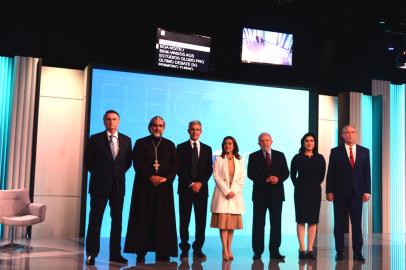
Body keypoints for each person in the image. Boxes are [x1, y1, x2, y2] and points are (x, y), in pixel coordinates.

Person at [124, 116, 179, 263]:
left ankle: (163, 250)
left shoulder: (170, 144)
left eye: (160, 126)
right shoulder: (141, 143)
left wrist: (165, 178)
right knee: (143, 218)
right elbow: (137, 163)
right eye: (155, 125)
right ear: (150, 127)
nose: (158, 128)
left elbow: (174, 165)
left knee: (163, 220)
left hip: (164, 188)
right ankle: (140, 251)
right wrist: (150, 176)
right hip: (144, 188)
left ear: (164, 128)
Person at [84, 110, 132, 266]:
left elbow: (127, 163)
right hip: (99, 187)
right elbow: (88, 162)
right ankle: (91, 254)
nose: (111, 122)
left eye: (114, 119)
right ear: (104, 121)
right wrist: (103, 175)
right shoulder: (95, 139)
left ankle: (115, 254)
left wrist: (114, 175)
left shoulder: (126, 140)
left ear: (119, 121)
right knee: (95, 222)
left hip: (118, 187)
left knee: (117, 222)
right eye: (108, 119)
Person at [326, 125, 371, 262]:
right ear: (342, 135)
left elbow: (366, 173)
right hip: (339, 194)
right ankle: (339, 252)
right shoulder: (335, 152)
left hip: (357, 194)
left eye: (352, 132)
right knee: (339, 224)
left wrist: (367, 191)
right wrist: (329, 190)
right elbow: (331, 173)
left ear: (356, 134)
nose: (350, 135)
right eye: (347, 132)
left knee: (357, 224)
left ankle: (358, 253)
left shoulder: (364, 151)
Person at [248, 132, 289, 260]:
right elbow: (250, 174)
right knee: (258, 224)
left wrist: (278, 178)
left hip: (276, 195)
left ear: (272, 141)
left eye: (267, 140)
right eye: (262, 141)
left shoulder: (280, 155)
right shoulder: (253, 156)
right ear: (258, 143)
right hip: (260, 195)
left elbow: (286, 172)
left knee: (276, 224)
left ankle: (275, 251)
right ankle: (258, 251)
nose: (265, 143)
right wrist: (265, 179)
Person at [177, 120, 213, 260]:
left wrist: (200, 183)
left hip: (201, 190)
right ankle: (184, 248)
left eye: (197, 129)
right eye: (192, 129)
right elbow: (178, 168)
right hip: (186, 189)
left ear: (201, 131)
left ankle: (198, 248)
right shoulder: (180, 147)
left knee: (200, 221)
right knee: (184, 220)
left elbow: (209, 170)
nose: (195, 132)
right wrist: (191, 183)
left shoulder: (207, 148)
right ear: (188, 131)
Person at [290, 133, 326, 260]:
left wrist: (314, 184)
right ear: (303, 143)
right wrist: (299, 185)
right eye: (306, 141)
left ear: (314, 143)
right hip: (300, 192)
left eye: (311, 141)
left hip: (315, 192)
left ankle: (310, 249)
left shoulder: (320, 158)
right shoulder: (297, 157)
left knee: (312, 220)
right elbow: (292, 175)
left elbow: (322, 175)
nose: (309, 143)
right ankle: (302, 249)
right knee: (300, 219)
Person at [210, 136, 245, 261]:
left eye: (230, 143)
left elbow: (242, 178)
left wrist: (234, 191)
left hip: (234, 196)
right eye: (225, 143)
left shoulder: (240, 160)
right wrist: (226, 191)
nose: (227, 145)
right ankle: (224, 249)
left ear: (234, 145)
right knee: (223, 225)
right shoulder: (219, 159)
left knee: (231, 226)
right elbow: (216, 176)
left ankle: (230, 248)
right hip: (222, 195)